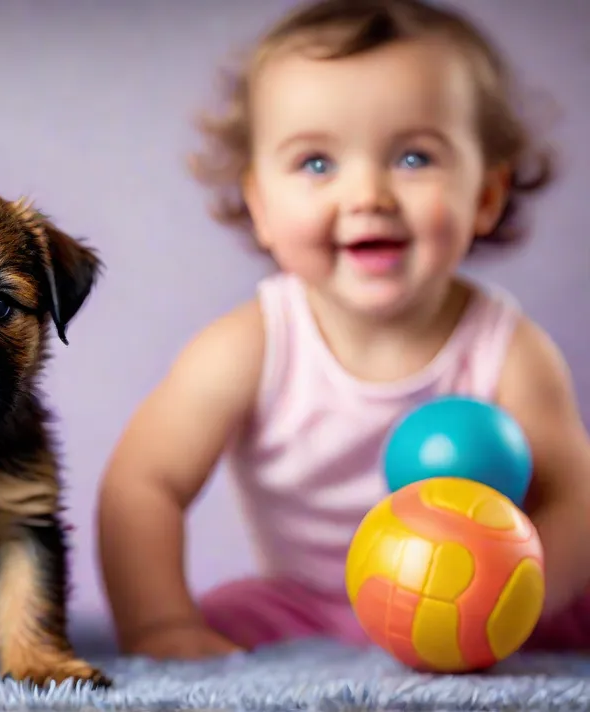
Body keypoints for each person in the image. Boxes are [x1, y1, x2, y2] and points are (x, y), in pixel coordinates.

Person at [96, 0, 590, 660]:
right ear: (260, 205)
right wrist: (159, 625)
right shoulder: (250, 346)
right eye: (317, 164)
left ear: (486, 196)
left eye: (414, 158)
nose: (368, 195)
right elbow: (142, 484)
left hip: (476, 594)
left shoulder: (508, 346)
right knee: (224, 617)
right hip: (307, 601)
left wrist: (510, 605)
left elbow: (572, 499)